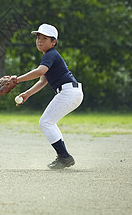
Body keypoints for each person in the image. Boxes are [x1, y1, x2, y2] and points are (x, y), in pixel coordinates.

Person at [14, 23, 84, 169]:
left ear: (54, 42)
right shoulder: (49, 56)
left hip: (68, 92)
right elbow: (43, 80)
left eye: (44, 38)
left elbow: (40, 71)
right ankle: (63, 156)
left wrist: (16, 79)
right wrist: (27, 94)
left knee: (45, 122)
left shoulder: (51, 54)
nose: (39, 40)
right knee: (48, 122)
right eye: (38, 37)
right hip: (71, 92)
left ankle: (64, 157)